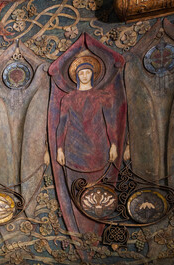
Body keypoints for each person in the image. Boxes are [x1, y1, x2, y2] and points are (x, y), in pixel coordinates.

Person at [52, 50, 127, 237]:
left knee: (98, 187)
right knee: (76, 186)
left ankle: (94, 229)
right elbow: (62, 124)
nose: (84, 75)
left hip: (98, 147)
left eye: (87, 72)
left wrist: (114, 145)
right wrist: (59, 149)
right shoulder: (68, 98)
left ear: (92, 75)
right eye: (81, 73)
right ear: (77, 76)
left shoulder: (102, 96)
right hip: (74, 148)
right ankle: (80, 229)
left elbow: (110, 121)